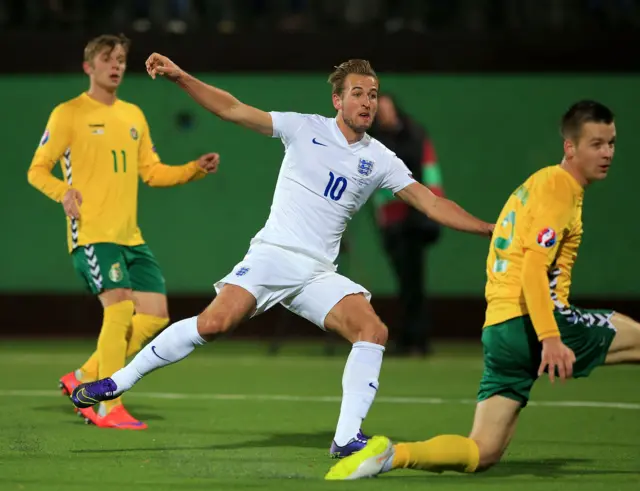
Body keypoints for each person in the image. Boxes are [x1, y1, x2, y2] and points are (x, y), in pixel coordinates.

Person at [69, 54, 493, 456]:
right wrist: (181, 76)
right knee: (214, 324)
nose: (368, 102)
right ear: (338, 100)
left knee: (373, 331)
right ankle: (117, 381)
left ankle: (346, 439)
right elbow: (233, 109)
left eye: (373, 94)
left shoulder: (380, 158)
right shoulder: (302, 127)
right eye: (359, 93)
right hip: (273, 256)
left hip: (317, 274)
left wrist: (489, 229)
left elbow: (431, 202)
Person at [324, 99, 640, 479]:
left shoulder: (535, 185)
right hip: (538, 320)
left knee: (483, 450)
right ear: (570, 147)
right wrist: (551, 337)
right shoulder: (559, 190)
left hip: (501, 329)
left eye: (611, 143)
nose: (607, 153)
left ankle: (391, 456)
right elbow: (534, 271)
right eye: (596, 143)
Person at [27, 34, 220, 430]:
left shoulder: (133, 115)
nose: (115, 65)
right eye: (106, 58)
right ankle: (105, 405)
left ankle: (83, 378)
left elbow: (151, 172)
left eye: (120, 59)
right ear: (88, 67)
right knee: (118, 309)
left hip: (130, 236)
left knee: (155, 316)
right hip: (93, 234)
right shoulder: (68, 113)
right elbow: (36, 169)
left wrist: (193, 169)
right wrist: (64, 193)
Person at [369, 93, 445, 356]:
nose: (385, 113)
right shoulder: (376, 142)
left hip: (416, 220)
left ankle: (418, 340)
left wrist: (430, 210)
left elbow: (429, 174)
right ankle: (409, 338)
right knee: (405, 282)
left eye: (388, 108)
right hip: (393, 222)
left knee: (414, 282)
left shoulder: (415, 136)